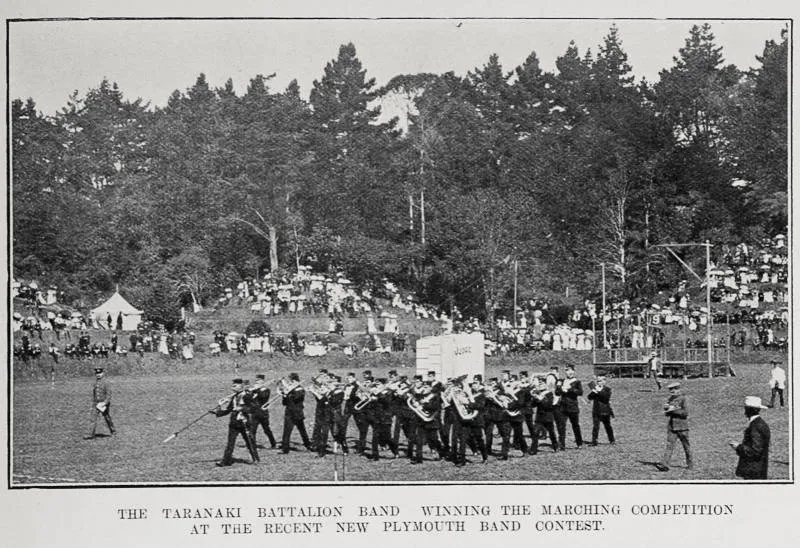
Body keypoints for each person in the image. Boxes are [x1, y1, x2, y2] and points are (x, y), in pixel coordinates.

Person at [210, 378, 259, 466]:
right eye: (232, 386)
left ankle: (255, 458)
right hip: (234, 423)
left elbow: (254, 407)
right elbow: (229, 409)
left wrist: (242, 408)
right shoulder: (234, 397)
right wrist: (218, 412)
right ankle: (226, 461)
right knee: (230, 443)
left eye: (234, 386)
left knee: (249, 441)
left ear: (240, 386)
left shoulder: (246, 396)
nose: (232, 388)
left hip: (244, 422)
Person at [730, 396, 771, 480]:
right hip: (758, 468)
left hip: (753, 470)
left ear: (751, 410)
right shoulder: (760, 423)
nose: (745, 411)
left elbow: (755, 451)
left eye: (746, 408)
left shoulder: (756, 426)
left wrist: (738, 447)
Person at [657, 382, 693, 471]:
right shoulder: (670, 399)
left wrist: (673, 410)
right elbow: (667, 414)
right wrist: (666, 409)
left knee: (686, 446)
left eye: (674, 389)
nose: (672, 391)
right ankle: (665, 465)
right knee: (669, 446)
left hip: (682, 427)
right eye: (670, 390)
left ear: (678, 389)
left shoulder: (684, 399)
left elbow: (685, 413)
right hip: (672, 427)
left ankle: (690, 464)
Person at [279, 373, 312, 453]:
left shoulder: (299, 389)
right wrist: (284, 395)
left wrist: (288, 393)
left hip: (297, 413)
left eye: (290, 381)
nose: (289, 383)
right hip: (289, 412)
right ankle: (285, 448)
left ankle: (308, 445)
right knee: (287, 431)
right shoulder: (290, 390)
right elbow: (285, 403)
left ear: (294, 381)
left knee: (302, 430)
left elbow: (296, 398)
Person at [556, 365, 584, 449]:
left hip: (573, 407)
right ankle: (561, 445)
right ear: (565, 372)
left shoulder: (577, 382)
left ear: (574, 371)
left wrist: (570, 389)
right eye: (567, 370)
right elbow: (557, 392)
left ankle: (579, 443)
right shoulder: (561, 380)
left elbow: (580, 392)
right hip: (562, 407)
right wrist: (560, 388)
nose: (569, 372)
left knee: (575, 425)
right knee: (561, 425)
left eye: (571, 370)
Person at [248, 374, 277, 449]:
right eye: (256, 380)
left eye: (258, 381)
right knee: (252, 430)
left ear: (262, 381)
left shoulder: (266, 390)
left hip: (263, 413)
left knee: (266, 429)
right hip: (254, 413)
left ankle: (273, 443)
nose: (256, 382)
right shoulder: (254, 390)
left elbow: (263, 397)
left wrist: (257, 391)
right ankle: (252, 445)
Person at [85, 367, 115, 439]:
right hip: (96, 403)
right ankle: (90, 434)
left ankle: (113, 431)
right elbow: (94, 393)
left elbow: (109, 394)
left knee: (107, 418)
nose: (98, 375)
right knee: (93, 418)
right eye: (97, 373)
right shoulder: (96, 383)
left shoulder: (106, 383)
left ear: (103, 373)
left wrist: (105, 403)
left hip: (103, 404)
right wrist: (94, 402)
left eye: (100, 373)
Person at [587, 376, 615, 446]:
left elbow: (606, 398)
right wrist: (593, 392)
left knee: (608, 426)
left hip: (605, 411)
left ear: (604, 381)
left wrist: (598, 392)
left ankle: (612, 440)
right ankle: (594, 441)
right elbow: (589, 397)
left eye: (599, 381)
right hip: (596, 410)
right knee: (595, 426)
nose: (598, 382)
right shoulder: (595, 389)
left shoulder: (607, 389)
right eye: (597, 381)